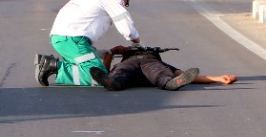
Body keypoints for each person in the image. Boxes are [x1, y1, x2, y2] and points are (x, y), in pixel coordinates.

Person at [36, 0, 140, 88]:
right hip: (73, 40)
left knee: (90, 71)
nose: (123, 5)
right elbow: (126, 27)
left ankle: (54, 67)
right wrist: (136, 42)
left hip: (62, 40)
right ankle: (55, 67)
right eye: (126, 4)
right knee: (99, 78)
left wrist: (107, 53)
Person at [99, 45, 238, 91]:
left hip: (149, 65)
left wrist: (218, 78)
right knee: (119, 74)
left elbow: (184, 75)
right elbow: (104, 72)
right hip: (132, 67)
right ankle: (113, 82)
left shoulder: (153, 61)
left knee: (161, 73)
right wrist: (111, 53)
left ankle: (169, 83)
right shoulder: (124, 63)